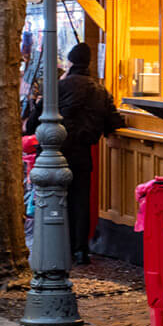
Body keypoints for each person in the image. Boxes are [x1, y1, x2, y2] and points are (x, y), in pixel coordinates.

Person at [57, 43, 123, 265]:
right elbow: (113, 121)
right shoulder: (100, 90)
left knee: (58, 198)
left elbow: (37, 117)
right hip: (83, 152)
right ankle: (80, 250)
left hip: (58, 152)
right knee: (81, 199)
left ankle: (60, 246)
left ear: (71, 63)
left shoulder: (60, 87)